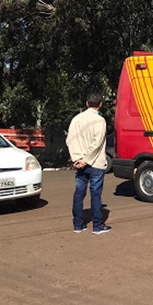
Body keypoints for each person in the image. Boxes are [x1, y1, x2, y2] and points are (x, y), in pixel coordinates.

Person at [66, 93, 112, 234]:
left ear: (86, 103)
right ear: (100, 104)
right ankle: (97, 226)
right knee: (95, 194)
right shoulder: (100, 121)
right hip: (95, 163)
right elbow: (97, 143)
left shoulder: (76, 119)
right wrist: (86, 160)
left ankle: (78, 225)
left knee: (79, 193)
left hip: (80, 163)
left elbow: (70, 140)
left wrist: (77, 159)